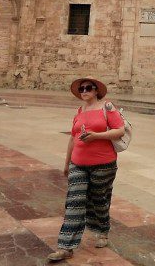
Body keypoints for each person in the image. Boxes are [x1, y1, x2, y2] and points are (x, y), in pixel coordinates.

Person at [47, 77, 125, 262]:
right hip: (78, 164)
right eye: (81, 89)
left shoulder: (107, 107)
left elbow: (120, 130)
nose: (84, 91)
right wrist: (67, 163)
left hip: (103, 164)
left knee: (99, 200)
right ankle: (65, 246)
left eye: (88, 88)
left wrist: (96, 136)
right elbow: (73, 138)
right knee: (74, 202)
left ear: (96, 90)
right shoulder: (79, 111)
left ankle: (102, 230)